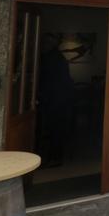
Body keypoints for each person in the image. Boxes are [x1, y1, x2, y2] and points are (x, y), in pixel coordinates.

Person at [38, 33, 75, 167]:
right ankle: (53, 157)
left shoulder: (52, 58)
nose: (43, 46)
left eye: (45, 43)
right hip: (58, 99)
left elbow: (51, 81)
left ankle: (54, 157)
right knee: (56, 129)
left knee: (55, 129)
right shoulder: (56, 57)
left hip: (55, 100)